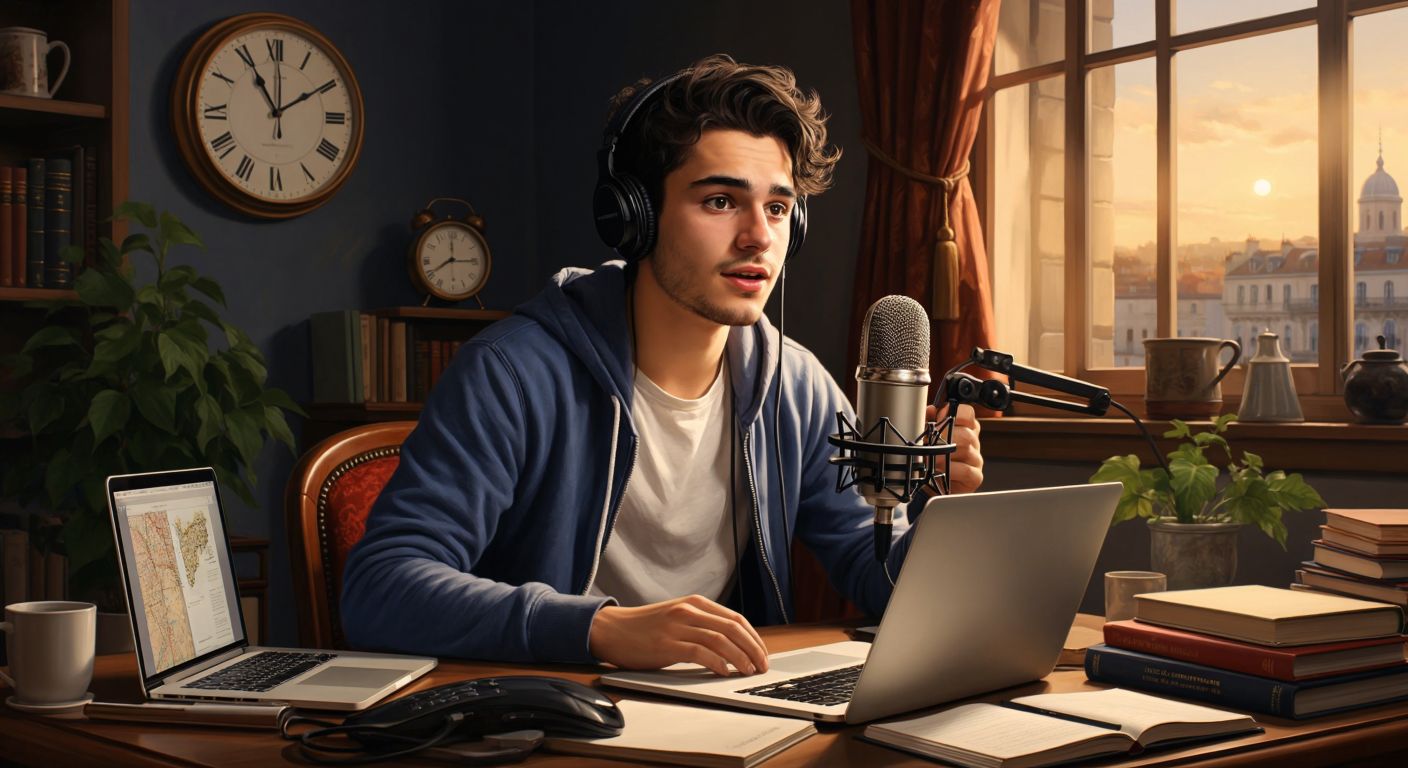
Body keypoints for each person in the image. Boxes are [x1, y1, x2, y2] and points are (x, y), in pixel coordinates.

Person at [340, 54, 983, 677]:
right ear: (635, 217)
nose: (759, 235)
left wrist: (935, 513)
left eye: (778, 208)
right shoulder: (513, 374)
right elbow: (382, 586)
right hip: (553, 711)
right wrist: (599, 629)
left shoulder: (796, 385)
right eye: (720, 202)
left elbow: (879, 580)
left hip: (724, 711)